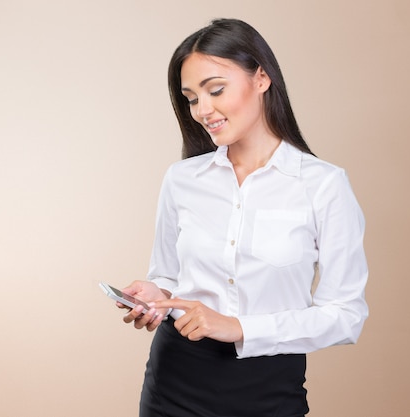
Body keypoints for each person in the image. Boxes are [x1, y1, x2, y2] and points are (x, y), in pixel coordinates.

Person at [118, 18, 369, 417]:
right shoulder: (182, 179)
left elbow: (345, 316)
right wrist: (157, 295)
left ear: (262, 78)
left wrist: (240, 328)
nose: (203, 110)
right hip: (175, 381)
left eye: (216, 90)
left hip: (269, 386)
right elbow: (167, 275)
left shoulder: (323, 185)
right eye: (191, 98)